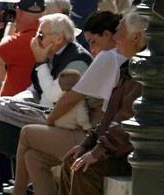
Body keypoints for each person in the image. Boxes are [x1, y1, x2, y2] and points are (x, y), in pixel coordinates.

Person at [10, 13, 131, 195]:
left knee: (27, 133)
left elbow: (70, 98)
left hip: (93, 136)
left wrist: (50, 121)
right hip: (95, 134)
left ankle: (17, 192)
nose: (91, 48)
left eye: (93, 42)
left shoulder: (109, 57)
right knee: (33, 157)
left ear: (108, 35)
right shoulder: (115, 58)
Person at [55, 12, 148, 195]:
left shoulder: (146, 73)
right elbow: (111, 117)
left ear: (136, 38)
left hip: (134, 155)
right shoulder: (129, 68)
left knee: (86, 169)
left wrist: (97, 152)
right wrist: (88, 143)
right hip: (118, 147)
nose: (115, 38)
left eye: (120, 32)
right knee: (71, 161)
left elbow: (130, 124)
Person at [0, 14, 92, 131]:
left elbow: (52, 96)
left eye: (40, 35)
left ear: (58, 39)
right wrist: (14, 102)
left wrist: (40, 62)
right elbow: (36, 88)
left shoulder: (78, 60)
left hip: (58, 119)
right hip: (41, 107)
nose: (35, 39)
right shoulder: (51, 51)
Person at [0, 0, 47, 96]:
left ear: (18, 12)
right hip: (37, 102)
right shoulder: (50, 34)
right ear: (44, 11)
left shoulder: (18, 42)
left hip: (16, 107)